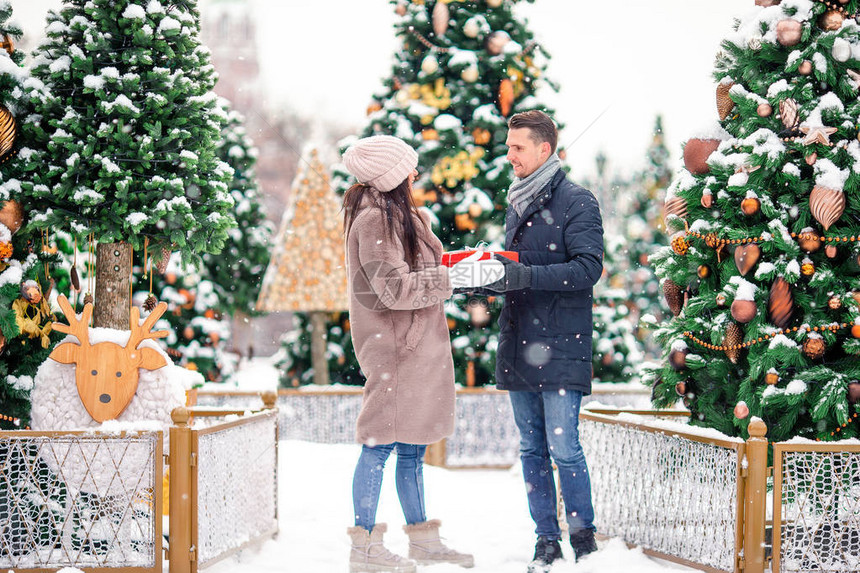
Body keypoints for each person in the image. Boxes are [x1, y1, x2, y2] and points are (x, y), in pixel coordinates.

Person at [341, 134, 502, 573]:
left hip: (412, 347)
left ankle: (423, 541)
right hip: (395, 350)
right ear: (393, 176)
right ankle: (365, 547)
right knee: (379, 443)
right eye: (409, 167)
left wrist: (461, 265)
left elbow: (415, 273)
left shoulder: (402, 216)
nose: (416, 174)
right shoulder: (375, 221)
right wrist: (452, 278)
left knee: (411, 447)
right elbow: (393, 290)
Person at [482, 110, 604, 571]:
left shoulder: (577, 201)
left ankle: (584, 539)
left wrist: (523, 274)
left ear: (543, 150)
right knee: (531, 449)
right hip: (518, 342)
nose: (508, 154)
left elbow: (588, 269)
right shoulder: (516, 201)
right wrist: (491, 277)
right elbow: (518, 268)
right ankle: (546, 540)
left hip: (561, 344)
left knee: (563, 447)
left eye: (516, 147)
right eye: (509, 146)